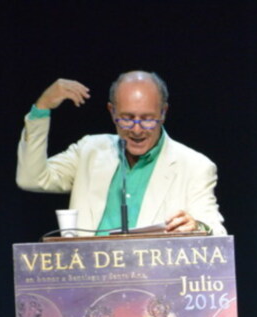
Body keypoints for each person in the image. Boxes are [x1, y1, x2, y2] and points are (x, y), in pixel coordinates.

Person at [16, 71, 226, 236]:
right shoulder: (89, 150)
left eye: (147, 119)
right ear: (112, 111)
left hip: (152, 277)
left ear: (163, 113)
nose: (137, 129)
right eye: (127, 118)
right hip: (87, 275)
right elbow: (31, 178)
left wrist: (198, 227)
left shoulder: (194, 166)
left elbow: (217, 234)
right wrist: (42, 108)